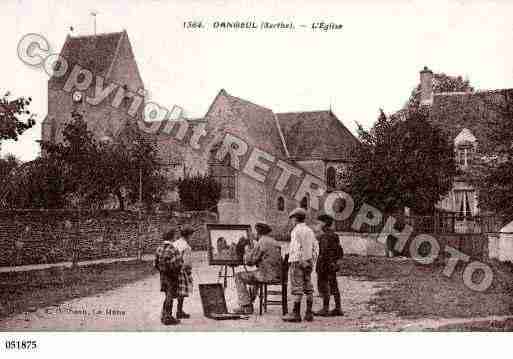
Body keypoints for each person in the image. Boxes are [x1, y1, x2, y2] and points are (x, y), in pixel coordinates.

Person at [233, 222, 282, 315]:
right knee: (254, 275)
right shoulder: (275, 242)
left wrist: (247, 249)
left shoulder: (261, 242)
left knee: (238, 276)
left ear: (258, 232)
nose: (253, 235)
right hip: (278, 275)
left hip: (266, 275)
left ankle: (246, 306)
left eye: (254, 232)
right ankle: (248, 303)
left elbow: (250, 262)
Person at [283, 208, 319, 323]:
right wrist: (311, 260)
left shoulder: (295, 231)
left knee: (297, 288)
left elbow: (296, 247)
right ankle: (309, 313)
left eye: (292, 219)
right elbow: (316, 247)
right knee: (308, 287)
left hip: (297, 262)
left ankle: (296, 313)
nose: (292, 221)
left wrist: (299, 260)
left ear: (295, 219)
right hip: (309, 261)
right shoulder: (310, 230)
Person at [313, 214, 344, 317]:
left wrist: (321, 265)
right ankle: (338, 308)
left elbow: (324, 252)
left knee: (324, 286)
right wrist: (335, 262)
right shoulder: (335, 235)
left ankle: (325, 309)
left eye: (319, 223)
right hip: (332, 265)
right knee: (334, 286)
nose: (317, 225)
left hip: (324, 265)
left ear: (324, 223)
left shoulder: (324, 236)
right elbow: (340, 251)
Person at [155, 229, 184, 325]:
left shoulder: (159, 248)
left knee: (167, 295)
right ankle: (168, 317)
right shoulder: (173, 249)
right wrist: (176, 271)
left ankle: (164, 315)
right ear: (172, 237)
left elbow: (155, 263)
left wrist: (161, 271)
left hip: (163, 275)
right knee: (170, 296)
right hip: (172, 276)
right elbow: (178, 263)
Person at [173, 226, 194, 319]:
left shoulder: (175, 243)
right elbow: (187, 263)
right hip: (181, 270)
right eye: (191, 235)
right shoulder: (186, 246)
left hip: (172, 269)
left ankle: (169, 312)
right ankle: (179, 311)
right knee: (181, 292)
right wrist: (189, 272)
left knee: (172, 291)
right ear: (188, 235)